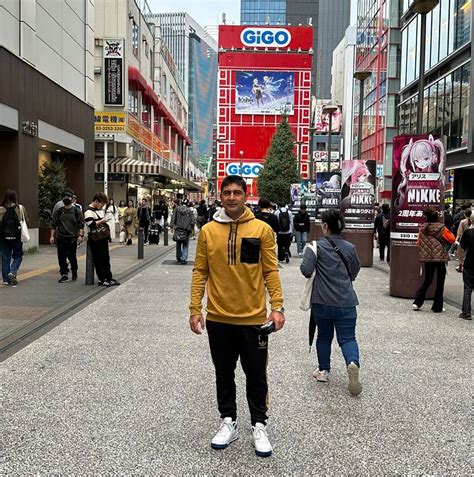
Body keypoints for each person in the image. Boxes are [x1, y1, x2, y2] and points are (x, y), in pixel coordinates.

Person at [189, 175, 285, 457]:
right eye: (227, 193)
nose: (232, 197)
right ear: (220, 196)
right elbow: (200, 271)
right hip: (218, 317)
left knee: (256, 375)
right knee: (223, 373)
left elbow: (270, 270)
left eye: (237, 193)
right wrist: (195, 308)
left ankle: (259, 424)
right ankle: (228, 421)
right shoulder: (208, 231)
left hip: (253, 319)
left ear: (245, 195)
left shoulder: (262, 229)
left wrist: (277, 306)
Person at [300, 209, 362, 396]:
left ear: (325, 226)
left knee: (324, 336)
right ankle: (352, 363)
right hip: (346, 301)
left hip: (322, 301)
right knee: (348, 338)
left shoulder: (315, 246)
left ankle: (323, 371)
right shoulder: (350, 248)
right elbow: (354, 270)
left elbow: (306, 270)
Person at [413, 207, 456, 313]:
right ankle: (437, 306)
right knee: (440, 282)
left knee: (427, 280)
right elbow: (452, 239)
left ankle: (417, 302)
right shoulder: (441, 227)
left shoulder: (422, 228)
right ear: (436, 216)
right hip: (440, 258)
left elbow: (418, 243)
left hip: (428, 258)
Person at [84, 192, 120, 287]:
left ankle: (109, 278)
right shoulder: (88, 211)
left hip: (102, 237)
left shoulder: (100, 210)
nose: (102, 206)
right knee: (98, 259)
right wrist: (102, 221)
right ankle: (102, 279)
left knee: (106, 259)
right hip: (95, 238)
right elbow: (90, 224)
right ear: (96, 201)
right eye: (102, 203)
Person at [50, 190, 85, 283]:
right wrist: (52, 236)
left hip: (72, 238)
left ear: (72, 199)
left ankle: (74, 271)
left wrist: (80, 235)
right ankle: (64, 274)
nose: (66, 198)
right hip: (61, 237)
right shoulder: (59, 211)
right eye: (64, 197)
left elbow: (81, 224)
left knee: (72, 256)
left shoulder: (76, 211)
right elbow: (54, 224)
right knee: (61, 257)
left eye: (68, 197)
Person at [0, 190, 28, 286]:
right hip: (17, 237)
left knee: (5, 257)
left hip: (3, 237)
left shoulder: (1, 210)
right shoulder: (20, 208)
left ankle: (6, 279)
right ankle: (13, 271)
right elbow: (25, 219)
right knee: (18, 256)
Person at [459, 224, 474, 320]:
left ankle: (466, 312)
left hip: (470, 262)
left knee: (468, 288)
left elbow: (462, 246)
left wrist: (461, 261)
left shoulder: (468, 232)